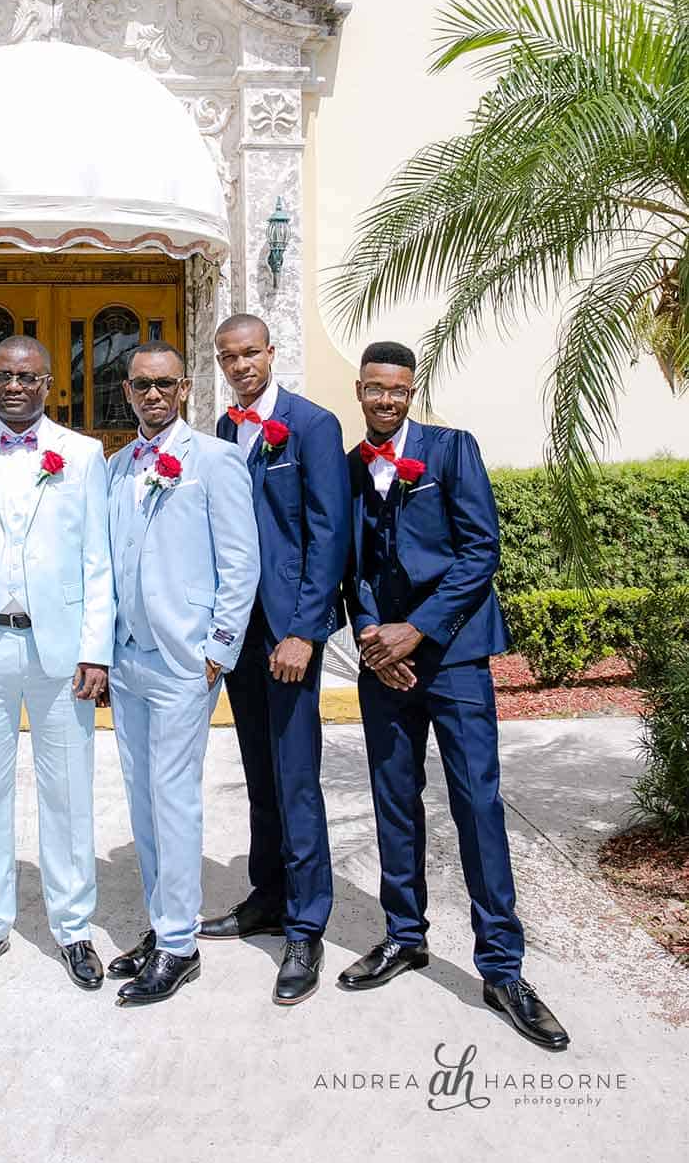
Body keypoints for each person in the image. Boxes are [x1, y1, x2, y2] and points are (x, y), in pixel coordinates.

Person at [340, 340, 569, 1051]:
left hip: (456, 657)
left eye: (399, 389)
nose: (387, 399)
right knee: (393, 801)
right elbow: (353, 565)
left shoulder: (450, 449)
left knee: (477, 804)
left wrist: (419, 632)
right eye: (376, 387)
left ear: (411, 391)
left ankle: (502, 968)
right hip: (388, 664)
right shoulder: (350, 467)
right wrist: (376, 638)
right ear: (359, 388)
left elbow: (481, 550)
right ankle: (404, 936)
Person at [0, 335, 113, 990]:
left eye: (27, 375)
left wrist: (97, 647)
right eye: (2, 374)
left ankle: (73, 925)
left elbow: (98, 558)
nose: (14, 385)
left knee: (67, 790)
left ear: (48, 381)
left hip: (58, 648)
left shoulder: (84, 454)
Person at [199, 314, 350, 1005]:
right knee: (258, 768)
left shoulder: (312, 426)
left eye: (250, 352)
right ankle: (267, 893)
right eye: (229, 356)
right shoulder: (225, 431)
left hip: (289, 634)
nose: (241, 364)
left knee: (295, 775)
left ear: (271, 351)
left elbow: (328, 534)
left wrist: (306, 631)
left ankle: (306, 921)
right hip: (242, 636)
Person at [106, 342, 259, 1005]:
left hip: (182, 660)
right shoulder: (115, 467)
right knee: (142, 798)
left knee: (173, 797)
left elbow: (240, 562)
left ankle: (180, 944)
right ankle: (162, 923)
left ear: (187, 386)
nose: (153, 393)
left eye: (165, 383)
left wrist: (217, 650)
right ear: (127, 389)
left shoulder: (216, 461)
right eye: (142, 384)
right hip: (127, 657)